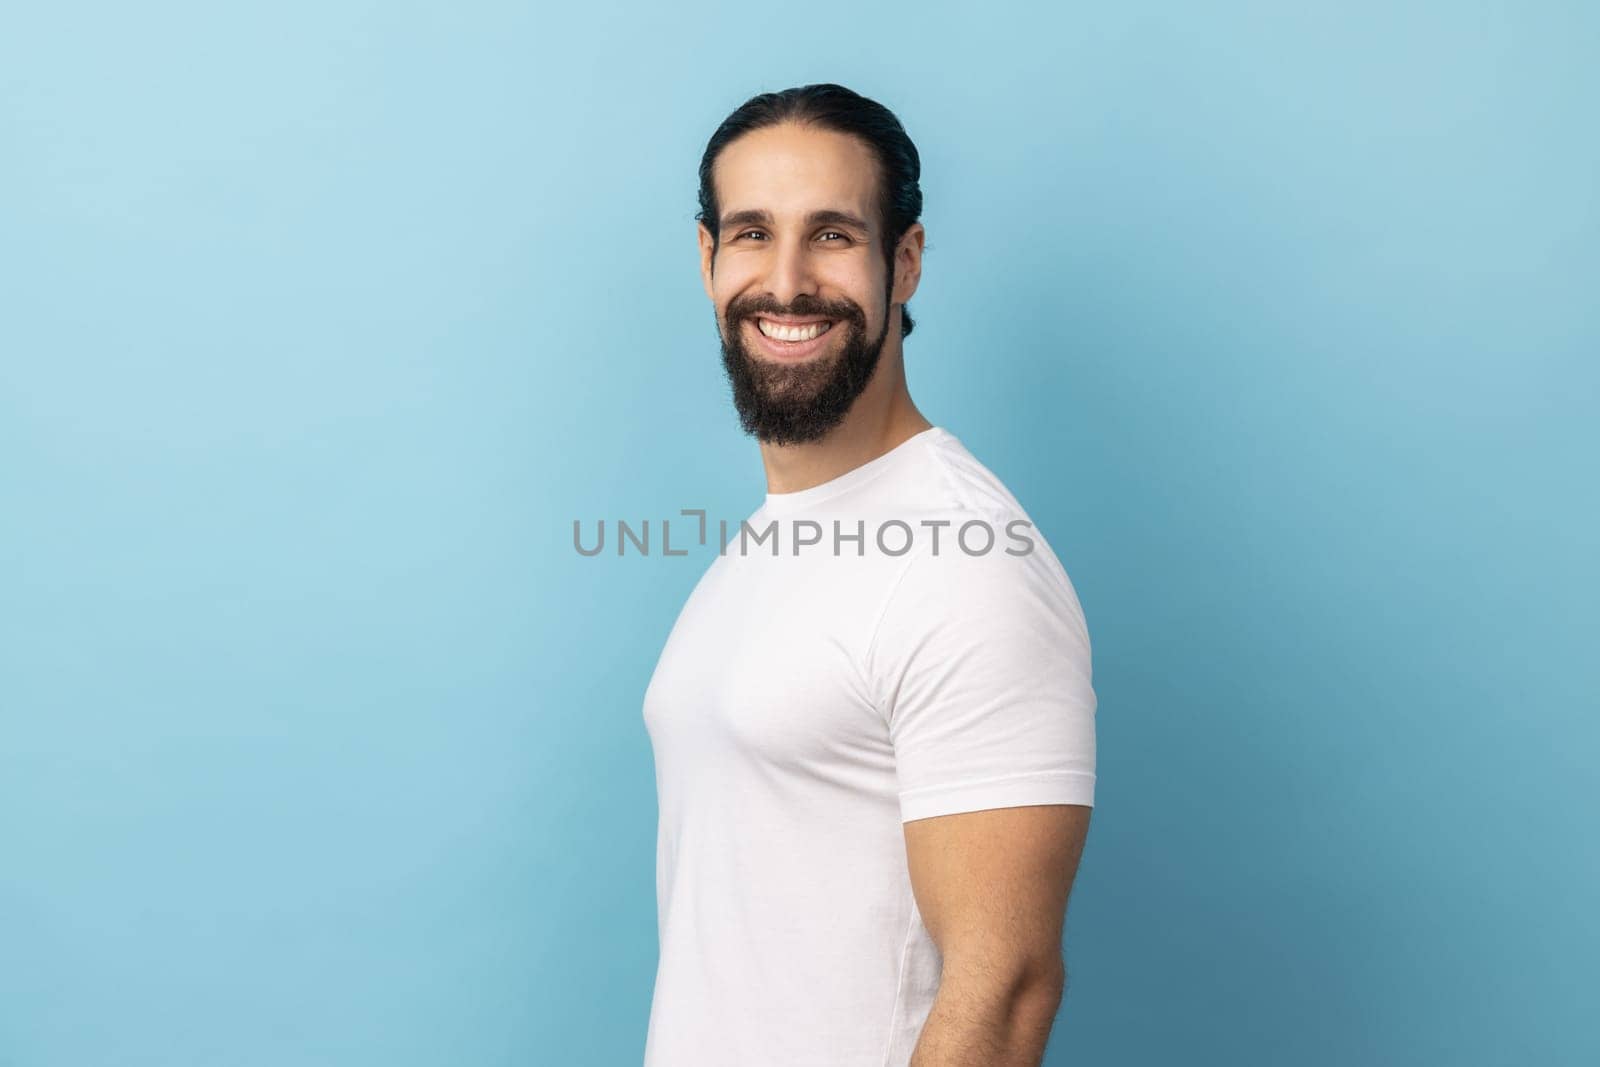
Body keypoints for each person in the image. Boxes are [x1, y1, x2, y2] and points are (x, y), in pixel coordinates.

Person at [641, 83, 1097, 1067]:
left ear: (906, 262)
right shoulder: (773, 538)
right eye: (753, 232)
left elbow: (1006, 985)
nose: (789, 280)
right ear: (708, 259)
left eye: (834, 235)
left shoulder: (965, 562)